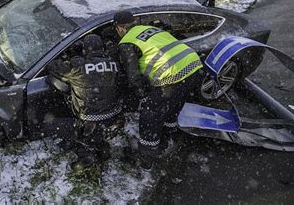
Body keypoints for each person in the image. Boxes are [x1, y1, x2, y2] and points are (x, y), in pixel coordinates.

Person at [113, 10, 203, 170]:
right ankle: (168, 137)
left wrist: (143, 95)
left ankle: (146, 156)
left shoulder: (127, 42)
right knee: (173, 105)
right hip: (193, 66)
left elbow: (134, 78)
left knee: (150, 114)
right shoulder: (150, 29)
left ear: (120, 28)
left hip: (171, 76)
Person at [47, 34, 122, 172]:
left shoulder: (78, 66)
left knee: (51, 126)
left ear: (84, 50)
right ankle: (100, 147)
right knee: (96, 134)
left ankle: (84, 153)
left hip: (89, 119)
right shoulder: (113, 64)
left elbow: (52, 66)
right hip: (112, 115)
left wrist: (71, 58)